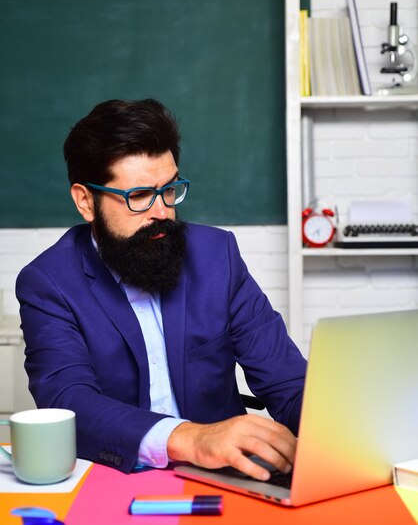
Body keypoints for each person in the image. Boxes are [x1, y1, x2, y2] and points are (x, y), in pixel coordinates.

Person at [16, 98, 307, 481]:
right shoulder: (49, 283)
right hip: (115, 480)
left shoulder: (218, 256)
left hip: (228, 480)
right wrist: (191, 438)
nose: (163, 212)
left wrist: (338, 432)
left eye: (169, 190)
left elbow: (288, 382)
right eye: (138, 196)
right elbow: (70, 402)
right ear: (86, 201)